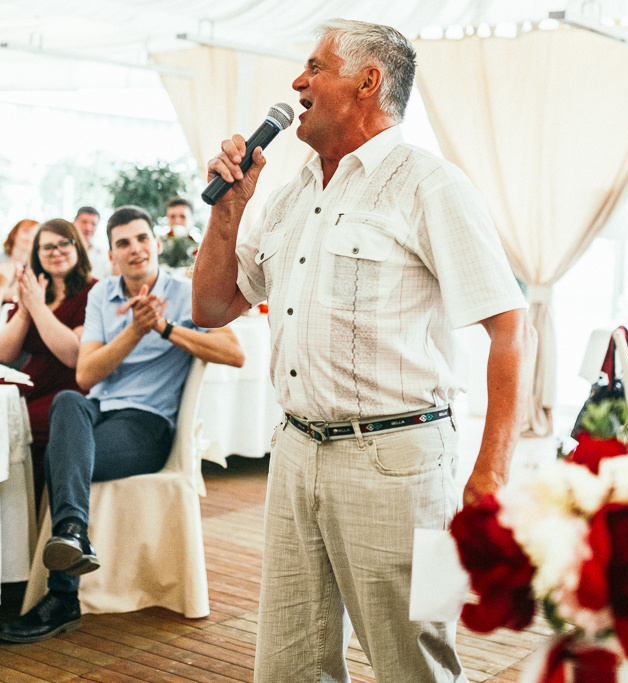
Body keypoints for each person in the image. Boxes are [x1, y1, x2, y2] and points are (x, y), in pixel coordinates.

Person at [193, 19, 534, 683]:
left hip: (401, 461)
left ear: (368, 82)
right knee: (289, 665)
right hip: (294, 453)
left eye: (315, 67)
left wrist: (491, 469)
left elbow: (512, 327)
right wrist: (228, 208)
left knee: (417, 664)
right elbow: (211, 308)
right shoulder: (296, 194)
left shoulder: (431, 184)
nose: (298, 82)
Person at [0, 205, 245, 645]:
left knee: (62, 459)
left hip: (145, 425)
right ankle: (74, 536)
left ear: (154, 242)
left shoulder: (186, 292)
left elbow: (234, 352)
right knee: (69, 400)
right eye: (123, 244)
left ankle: (62, 596)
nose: (135, 250)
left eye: (141, 239)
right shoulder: (102, 295)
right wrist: (134, 331)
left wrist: (165, 327)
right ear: (111, 255)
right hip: (98, 411)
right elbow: (86, 374)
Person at [0, 219, 97, 509]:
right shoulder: (35, 290)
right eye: (47, 247)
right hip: (31, 385)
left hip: (69, 392)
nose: (56, 251)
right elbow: (5, 352)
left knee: (13, 424)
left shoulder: (93, 292)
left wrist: (38, 307)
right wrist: (27, 309)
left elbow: (73, 354)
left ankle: (25, 509)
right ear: (37, 254)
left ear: (77, 246)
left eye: (63, 244)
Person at [0, 219, 40, 303]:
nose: (30, 238)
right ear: (14, 234)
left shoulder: (35, 270)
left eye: (35, 235)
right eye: (26, 232)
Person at [73, 207, 111, 279]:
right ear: (74, 222)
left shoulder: (104, 254)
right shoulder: (63, 250)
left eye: (93, 224)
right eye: (84, 222)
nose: (88, 228)